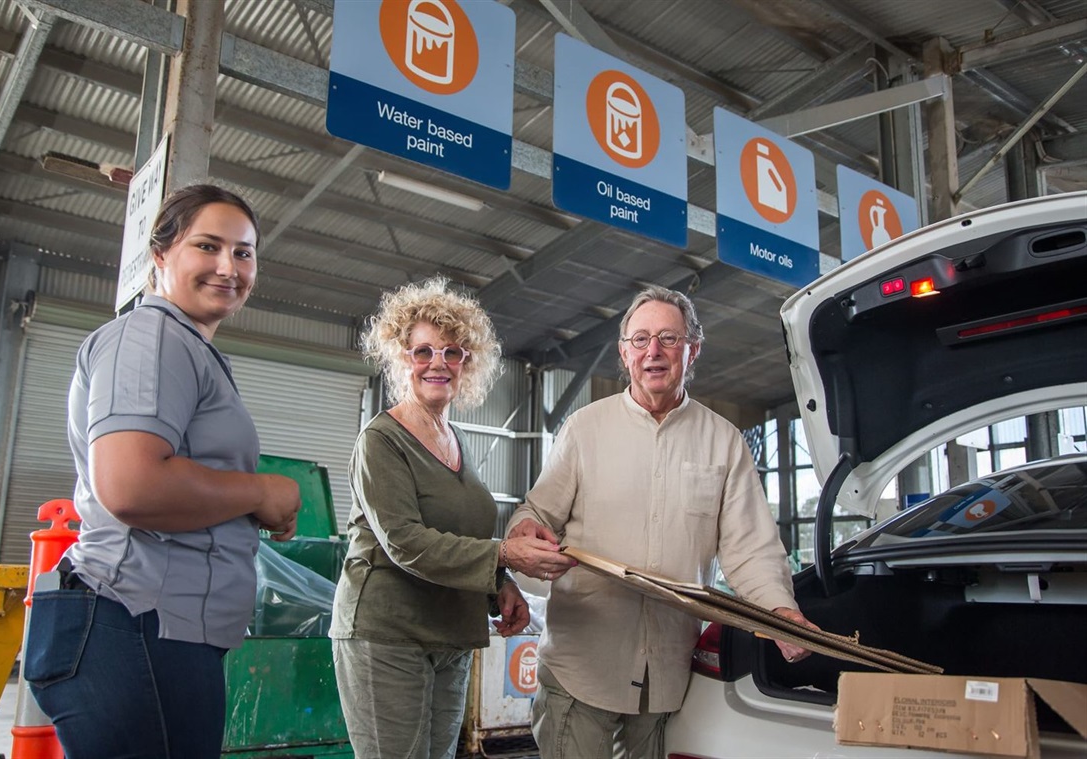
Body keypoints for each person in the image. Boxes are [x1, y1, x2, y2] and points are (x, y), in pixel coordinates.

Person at [24, 184, 302, 759]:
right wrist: (262, 491)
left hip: (157, 631)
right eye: (208, 246)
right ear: (160, 253)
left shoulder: (188, 348)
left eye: (244, 252)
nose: (229, 266)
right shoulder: (149, 338)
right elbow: (132, 485)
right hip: (131, 623)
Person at [506, 285, 816, 759]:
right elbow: (538, 513)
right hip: (582, 668)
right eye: (641, 339)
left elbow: (750, 548)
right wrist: (523, 531)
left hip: (667, 676)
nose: (654, 351)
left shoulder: (724, 443)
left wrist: (779, 612)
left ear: (693, 349)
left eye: (669, 339)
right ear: (623, 353)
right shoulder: (583, 430)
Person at [330, 277, 574, 759]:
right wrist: (503, 553)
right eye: (423, 352)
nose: (437, 363)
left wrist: (499, 585)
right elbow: (406, 542)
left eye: (452, 352)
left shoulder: (455, 439)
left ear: (468, 363)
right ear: (401, 360)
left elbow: (463, 533)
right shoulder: (381, 441)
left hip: (450, 634)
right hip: (389, 634)